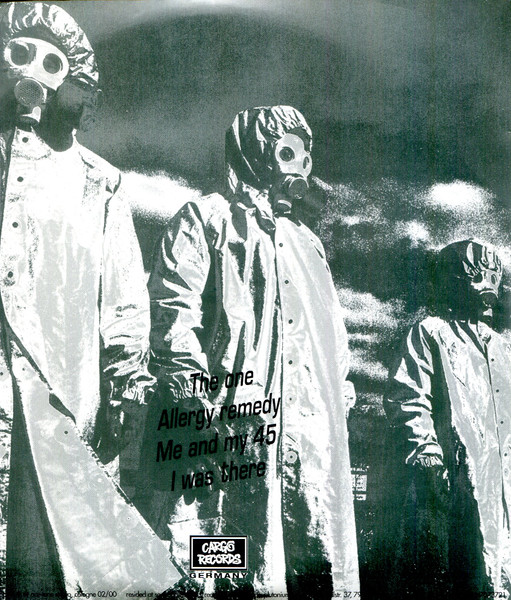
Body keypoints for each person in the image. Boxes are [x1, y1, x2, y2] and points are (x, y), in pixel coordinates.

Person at [0, 3, 178, 597]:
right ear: (0, 60)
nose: (33, 71)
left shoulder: (98, 184)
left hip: (61, 396)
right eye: (22, 53)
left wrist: (127, 385)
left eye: (52, 62)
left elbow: (124, 302)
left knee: (53, 555)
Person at [146, 106, 359, 598]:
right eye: (286, 152)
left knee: (308, 555)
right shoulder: (207, 218)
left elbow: (332, 335)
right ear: (256, 153)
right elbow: (173, 307)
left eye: (305, 156)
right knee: (223, 557)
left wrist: (337, 397)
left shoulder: (307, 243)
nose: (298, 167)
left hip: (308, 433)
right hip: (228, 426)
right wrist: (189, 390)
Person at [384, 239, 510, 599]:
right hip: (455, 472)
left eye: (492, 275)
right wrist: (425, 448)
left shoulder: (502, 346)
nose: (486, 285)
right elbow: (408, 394)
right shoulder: (431, 332)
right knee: (456, 564)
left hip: (502, 473)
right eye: (475, 274)